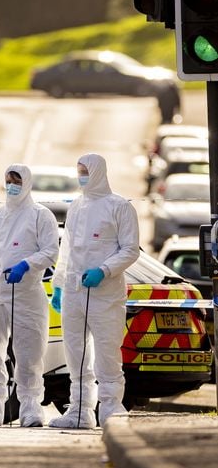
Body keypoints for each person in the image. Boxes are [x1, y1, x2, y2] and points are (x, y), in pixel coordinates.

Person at [49, 153, 139, 429]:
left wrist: (105, 270)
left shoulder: (120, 207)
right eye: (79, 171)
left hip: (106, 295)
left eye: (85, 171)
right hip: (75, 293)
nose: (81, 176)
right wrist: (59, 286)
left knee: (107, 353)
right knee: (75, 354)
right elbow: (67, 251)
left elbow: (130, 250)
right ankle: (78, 411)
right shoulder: (76, 206)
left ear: (99, 171)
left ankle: (111, 409)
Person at [0, 164, 59, 427]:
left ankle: (30, 406)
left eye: (17, 180)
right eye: (8, 180)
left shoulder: (41, 216)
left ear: (27, 183)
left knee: (29, 352)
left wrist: (26, 265)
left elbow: (51, 252)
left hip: (27, 293)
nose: (12, 185)